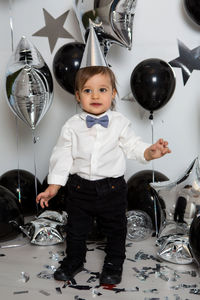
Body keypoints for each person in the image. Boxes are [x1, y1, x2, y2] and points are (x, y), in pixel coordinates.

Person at [36, 66, 171, 285]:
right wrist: (54, 186)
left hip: (113, 189)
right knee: (76, 231)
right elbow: (62, 155)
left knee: (116, 230)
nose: (96, 95)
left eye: (102, 89)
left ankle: (114, 263)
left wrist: (149, 151)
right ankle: (74, 260)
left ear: (113, 93)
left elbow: (133, 146)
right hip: (79, 189)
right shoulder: (71, 126)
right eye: (88, 91)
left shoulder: (120, 123)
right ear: (78, 96)